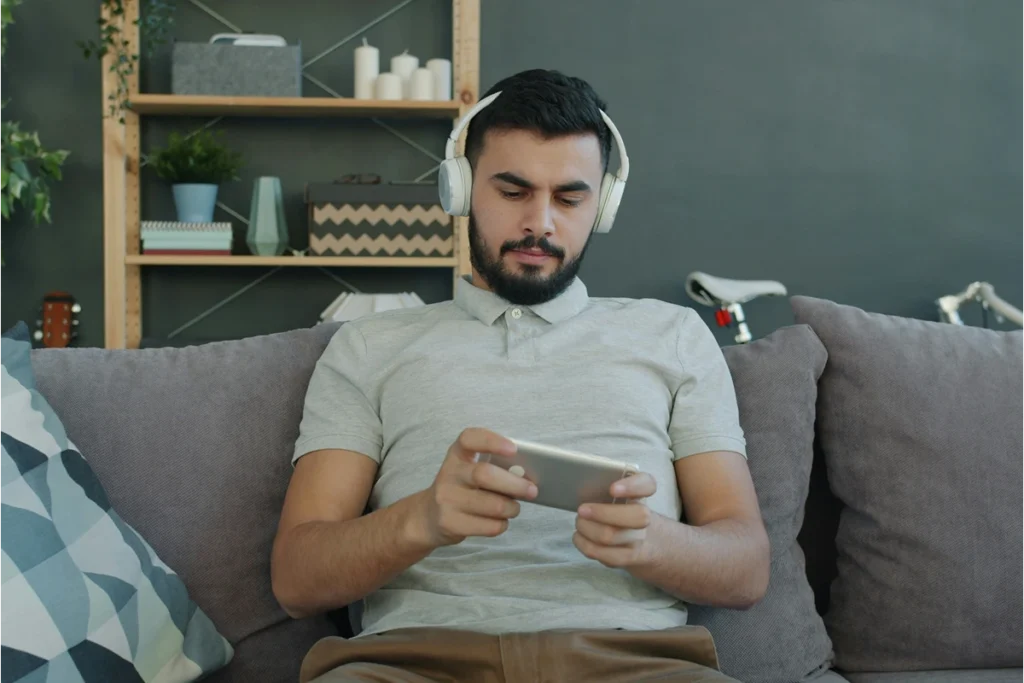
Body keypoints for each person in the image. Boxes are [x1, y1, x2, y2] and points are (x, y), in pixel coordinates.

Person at [271, 69, 770, 683]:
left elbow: (747, 569)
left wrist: (656, 543)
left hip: (630, 664)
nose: (541, 223)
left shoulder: (672, 336)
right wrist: (421, 520)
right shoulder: (369, 345)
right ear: (460, 189)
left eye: (569, 197)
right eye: (512, 192)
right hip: (412, 665)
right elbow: (296, 580)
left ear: (603, 205)